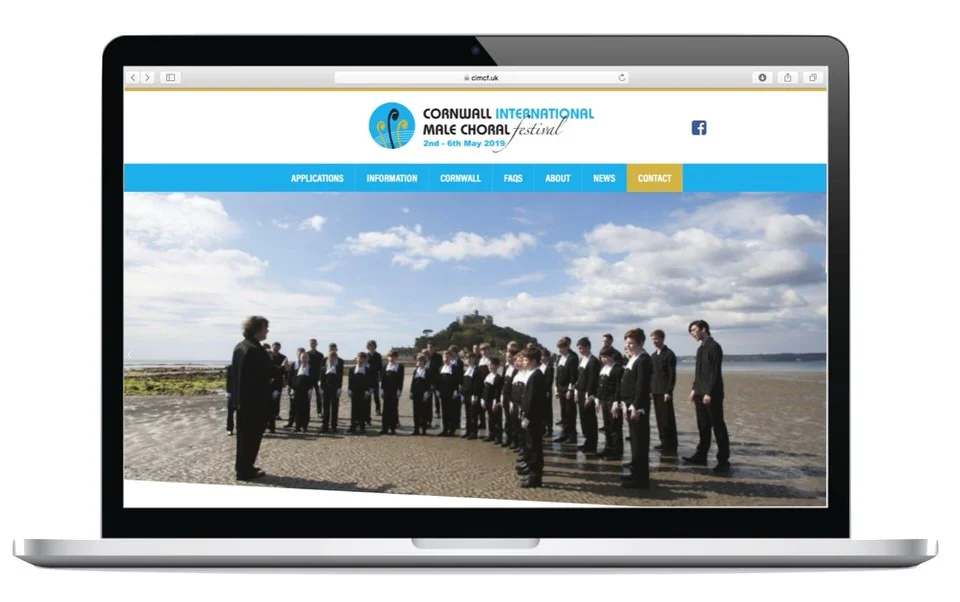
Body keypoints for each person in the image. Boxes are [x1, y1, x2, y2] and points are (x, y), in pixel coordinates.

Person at [684, 320, 731, 473]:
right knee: (703, 426)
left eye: (694, 330)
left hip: (712, 394)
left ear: (703, 329)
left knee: (718, 426)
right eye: (690, 331)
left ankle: (723, 460)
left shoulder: (714, 347)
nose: (692, 333)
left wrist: (709, 392)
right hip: (699, 392)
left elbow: (714, 372)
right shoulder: (700, 349)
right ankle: (701, 455)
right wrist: (694, 389)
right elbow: (699, 372)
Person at [231, 315, 273, 481]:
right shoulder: (256, 349)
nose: (267, 331)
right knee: (252, 437)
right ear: (257, 330)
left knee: (243, 438)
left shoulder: (239, 346)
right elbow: (266, 372)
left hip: (241, 400)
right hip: (255, 402)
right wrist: (282, 369)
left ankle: (242, 467)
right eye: (265, 328)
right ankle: (246, 470)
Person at [621, 328, 653, 488]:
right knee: (634, 441)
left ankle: (641, 479)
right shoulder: (633, 358)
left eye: (632, 343)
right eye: (627, 343)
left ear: (640, 343)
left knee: (640, 442)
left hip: (637, 407)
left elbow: (641, 386)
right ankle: (635, 472)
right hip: (629, 404)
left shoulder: (643, 360)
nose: (629, 346)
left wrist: (636, 406)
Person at [515, 347, 547, 488]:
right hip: (530, 416)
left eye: (526, 359)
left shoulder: (536, 375)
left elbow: (533, 400)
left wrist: (527, 416)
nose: (524, 362)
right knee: (530, 445)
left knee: (535, 448)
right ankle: (531, 472)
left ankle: (535, 478)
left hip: (534, 418)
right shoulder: (532, 374)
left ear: (534, 361)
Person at [650, 329, 679, 454]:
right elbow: (651, 375)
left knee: (667, 419)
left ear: (662, 339)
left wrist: (669, 391)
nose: (655, 342)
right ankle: (663, 442)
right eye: (653, 339)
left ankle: (671, 445)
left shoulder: (669, 354)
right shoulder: (653, 356)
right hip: (655, 390)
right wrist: (650, 390)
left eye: (657, 339)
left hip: (665, 391)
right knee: (659, 418)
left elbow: (672, 375)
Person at [597, 346, 624, 459]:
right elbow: (599, 386)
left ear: (612, 356)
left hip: (613, 401)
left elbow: (619, 388)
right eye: (602, 357)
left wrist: (616, 402)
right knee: (607, 426)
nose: (604, 359)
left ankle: (617, 451)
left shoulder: (618, 369)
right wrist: (598, 399)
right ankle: (608, 448)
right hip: (604, 400)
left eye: (606, 357)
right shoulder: (603, 368)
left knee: (615, 426)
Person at [575, 337, 601, 454]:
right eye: (579, 348)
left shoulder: (593, 361)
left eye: (582, 348)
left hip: (588, 394)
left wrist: (589, 397)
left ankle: (592, 444)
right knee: (583, 419)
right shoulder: (582, 360)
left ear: (588, 347)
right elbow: (579, 377)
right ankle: (587, 441)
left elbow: (592, 380)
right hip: (580, 392)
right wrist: (576, 391)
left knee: (590, 419)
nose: (580, 350)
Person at [553, 337, 579, 443]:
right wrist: (556, 388)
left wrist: (570, 390)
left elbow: (573, 376)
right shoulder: (559, 358)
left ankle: (572, 435)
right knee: (563, 412)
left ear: (567, 347)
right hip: (560, 388)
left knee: (570, 413)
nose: (559, 350)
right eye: (559, 348)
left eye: (562, 348)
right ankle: (564, 434)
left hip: (568, 389)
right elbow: (557, 374)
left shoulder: (572, 357)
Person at [319, 343, 344, 433]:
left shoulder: (339, 365)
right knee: (325, 408)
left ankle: (334, 426)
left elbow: (340, 376)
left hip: (335, 389)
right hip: (326, 389)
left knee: (334, 408)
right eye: (330, 358)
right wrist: (321, 387)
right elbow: (321, 377)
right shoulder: (324, 365)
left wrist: (339, 388)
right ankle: (325, 426)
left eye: (334, 358)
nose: (332, 359)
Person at [380, 349, 404, 435]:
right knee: (385, 410)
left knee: (393, 409)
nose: (391, 358)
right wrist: (382, 390)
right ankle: (384, 428)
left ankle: (393, 428)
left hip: (394, 390)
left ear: (396, 357)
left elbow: (401, 379)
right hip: (386, 390)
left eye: (393, 356)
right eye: (390, 356)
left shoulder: (400, 367)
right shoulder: (384, 366)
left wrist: (399, 390)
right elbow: (383, 379)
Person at [266, 342, 288, 433]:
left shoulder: (281, 359)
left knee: (273, 406)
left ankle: (272, 427)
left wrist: (277, 389)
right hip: (264, 389)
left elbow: (281, 372)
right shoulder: (261, 365)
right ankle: (266, 425)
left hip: (275, 386)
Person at [481, 357, 504, 442]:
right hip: (487, 400)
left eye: (492, 365)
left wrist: (495, 401)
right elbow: (484, 389)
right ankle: (491, 434)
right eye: (489, 365)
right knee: (490, 418)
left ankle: (498, 436)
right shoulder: (488, 376)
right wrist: (482, 399)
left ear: (496, 366)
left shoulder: (498, 377)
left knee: (497, 419)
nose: (490, 367)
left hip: (494, 401)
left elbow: (497, 391)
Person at [460, 351, 482, 439]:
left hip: (473, 395)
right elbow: (464, 383)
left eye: (471, 358)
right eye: (467, 358)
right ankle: (468, 431)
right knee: (467, 414)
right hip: (466, 395)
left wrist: (475, 395)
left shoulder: (477, 370)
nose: (469, 360)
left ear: (474, 359)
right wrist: (462, 393)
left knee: (473, 415)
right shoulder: (466, 370)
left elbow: (477, 384)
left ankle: (474, 433)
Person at [437, 350, 459, 436]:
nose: (445, 358)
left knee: (451, 411)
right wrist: (438, 390)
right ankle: (445, 429)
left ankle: (452, 430)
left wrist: (455, 390)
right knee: (444, 412)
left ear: (450, 358)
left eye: (447, 357)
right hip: (443, 393)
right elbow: (438, 381)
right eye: (444, 357)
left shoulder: (454, 367)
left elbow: (456, 380)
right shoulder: (440, 368)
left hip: (451, 393)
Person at [291, 350, 313, 433]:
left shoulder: (311, 368)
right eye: (302, 357)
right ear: (300, 359)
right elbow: (294, 379)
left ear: (308, 359)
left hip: (306, 391)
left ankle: (304, 426)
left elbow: (313, 379)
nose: (304, 359)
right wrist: (292, 389)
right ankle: (297, 426)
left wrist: (310, 389)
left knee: (305, 409)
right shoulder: (297, 369)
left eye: (305, 357)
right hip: (297, 391)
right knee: (297, 409)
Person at [410, 353, 432, 435]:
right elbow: (413, 382)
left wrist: (427, 392)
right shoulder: (415, 371)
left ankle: (423, 429)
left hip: (423, 394)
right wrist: (411, 392)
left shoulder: (427, 371)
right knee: (416, 412)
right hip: (416, 393)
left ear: (424, 362)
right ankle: (416, 429)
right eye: (418, 361)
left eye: (421, 361)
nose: (419, 362)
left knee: (424, 412)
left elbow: (429, 383)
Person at [284, 347, 305, 428]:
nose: (300, 355)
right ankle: (290, 422)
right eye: (298, 353)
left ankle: (300, 423)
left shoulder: (305, 365)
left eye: (301, 354)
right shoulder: (293, 364)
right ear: (296, 354)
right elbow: (289, 376)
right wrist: (289, 386)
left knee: (301, 406)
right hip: (293, 388)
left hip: (302, 388)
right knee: (292, 406)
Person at [476, 343, 493, 431]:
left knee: (489, 406)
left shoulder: (491, 360)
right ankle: (482, 423)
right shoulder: (479, 360)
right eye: (482, 350)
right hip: (480, 385)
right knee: (480, 407)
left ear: (489, 350)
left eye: (486, 349)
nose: (484, 351)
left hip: (489, 385)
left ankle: (492, 426)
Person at [306, 339, 325, 419]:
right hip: (309, 378)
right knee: (307, 396)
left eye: (314, 343)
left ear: (316, 344)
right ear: (309, 344)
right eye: (311, 343)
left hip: (318, 377)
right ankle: (306, 412)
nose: (313, 344)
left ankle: (319, 412)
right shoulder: (307, 354)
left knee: (319, 395)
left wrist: (321, 378)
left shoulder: (320, 355)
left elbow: (322, 367)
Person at [426, 342, 443, 421]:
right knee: (428, 398)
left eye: (431, 347)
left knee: (437, 397)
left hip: (436, 380)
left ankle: (438, 412)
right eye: (428, 347)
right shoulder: (426, 356)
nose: (430, 348)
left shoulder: (438, 357)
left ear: (434, 348)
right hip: (428, 380)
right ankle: (428, 413)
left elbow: (440, 368)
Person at [540, 347, 554, 438]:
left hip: (546, 391)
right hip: (539, 391)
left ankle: (549, 429)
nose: (542, 358)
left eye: (543, 356)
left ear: (547, 357)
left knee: (548, 410)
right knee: (541, 410)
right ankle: (542, 427)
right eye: (541, 356)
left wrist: (547, 391)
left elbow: (549, 381)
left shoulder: (550, 367)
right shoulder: (540, 366)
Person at [366, 340, 383, 418]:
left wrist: (380, 376)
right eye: (370, 345)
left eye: (372, 345)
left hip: (375, 377)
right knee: (368, 395)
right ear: (368, 346)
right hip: (368, 378)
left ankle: (378, 410)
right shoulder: (366, 355)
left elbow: (380, 367)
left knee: (376, 396)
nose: (371, 347)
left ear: (375, 346)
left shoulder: (378, 355)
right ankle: (367, 411)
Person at [225, 363, 235, 436]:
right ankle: (229, 429)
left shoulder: (245, 367)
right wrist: (228, 392)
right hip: (232, 393)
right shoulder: (230, 367)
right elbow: (228, 380)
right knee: (230, 412)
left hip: (242, 394)